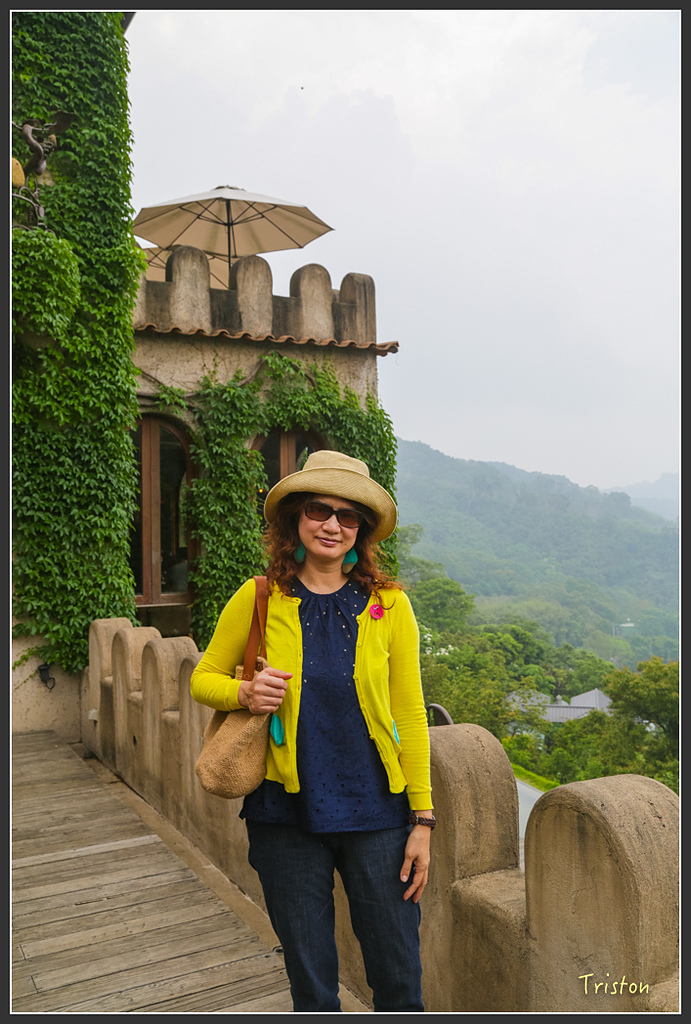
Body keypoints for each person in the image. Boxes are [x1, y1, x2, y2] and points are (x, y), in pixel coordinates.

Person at [190, 450, 434, 1012]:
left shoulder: (389, 606)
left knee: (399, 977)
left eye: (348, 516)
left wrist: (423, 821)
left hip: (379, 814)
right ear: (296, 518)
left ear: (362, 530)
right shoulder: (258, 596)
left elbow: (411, 714)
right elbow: (203, 678)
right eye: (319, 510)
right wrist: (244, 693)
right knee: (312, 982)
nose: (332, 524)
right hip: (284, 815)